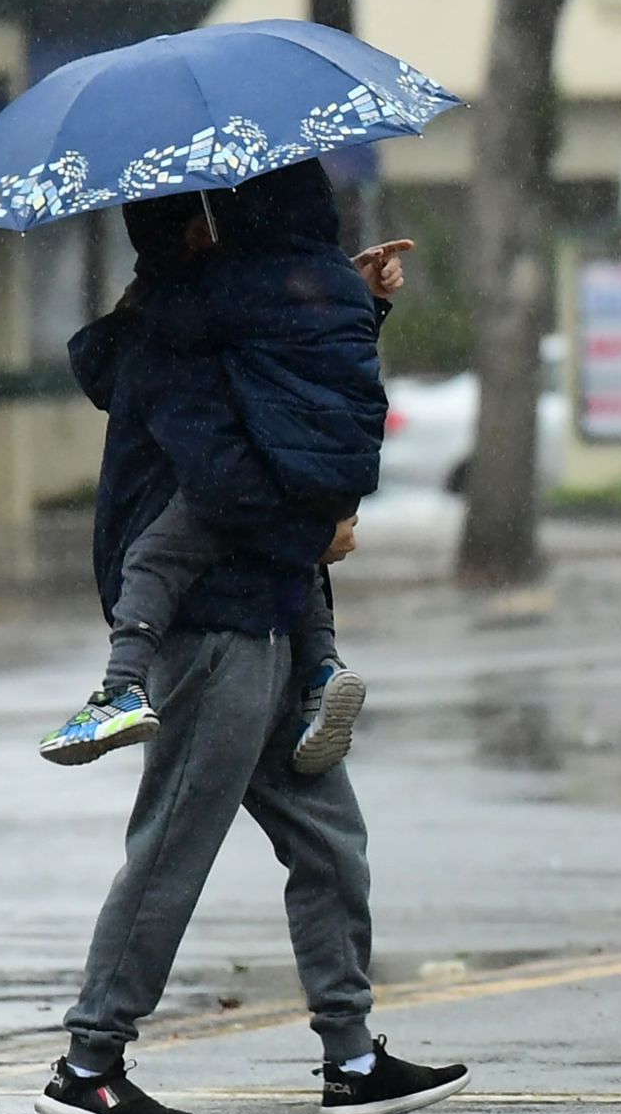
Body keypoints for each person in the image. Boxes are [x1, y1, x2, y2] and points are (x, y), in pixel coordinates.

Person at [31, 167, 467, 1114]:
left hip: (265, 611)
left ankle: (352, 1060)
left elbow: (298, 407)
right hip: (212, 629)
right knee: (172, 853)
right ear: (197, 235)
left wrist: (353, 307)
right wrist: (309, 531)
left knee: (330, 847)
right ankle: (88, 1063)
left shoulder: (218, 322)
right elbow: (229, 480)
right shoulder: (170, 342)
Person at [36, 166, 408, 776]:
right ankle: (324, 667)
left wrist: (164, 287)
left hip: (223, 609)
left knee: (155, 558)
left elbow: (223, 483)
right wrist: (348, 283)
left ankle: (122, 685)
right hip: (318, 491)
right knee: (331, 857)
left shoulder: (199, 308)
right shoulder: (313, 288)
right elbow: (306, 340)